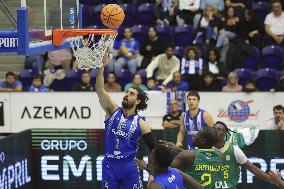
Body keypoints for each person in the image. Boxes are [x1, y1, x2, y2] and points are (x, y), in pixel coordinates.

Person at [96, 52, 156, 189]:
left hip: (129, 167)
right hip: (109, 165)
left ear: (138, 101)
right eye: (127, 92)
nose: (127, 95)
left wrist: (151, 170)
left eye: (131, 94)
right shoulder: (112, 110)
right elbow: (100, 89)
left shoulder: (141, 123)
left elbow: (154, 149)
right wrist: (101, 67)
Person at [137, 127, 223, 189]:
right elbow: (201, 157)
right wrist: (179, 149)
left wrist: (146, 166)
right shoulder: (219, 155)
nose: (194, 136)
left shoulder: (187, 156)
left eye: (198, 134)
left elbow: (164, 169)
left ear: (203, 140)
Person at [214, 121, 271, 189]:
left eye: (219, 130)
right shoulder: (204, 149)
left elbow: (253, 169)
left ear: (225, 133)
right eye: (215, 129)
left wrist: (272, 179)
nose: (216, 131)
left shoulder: (234, 150)